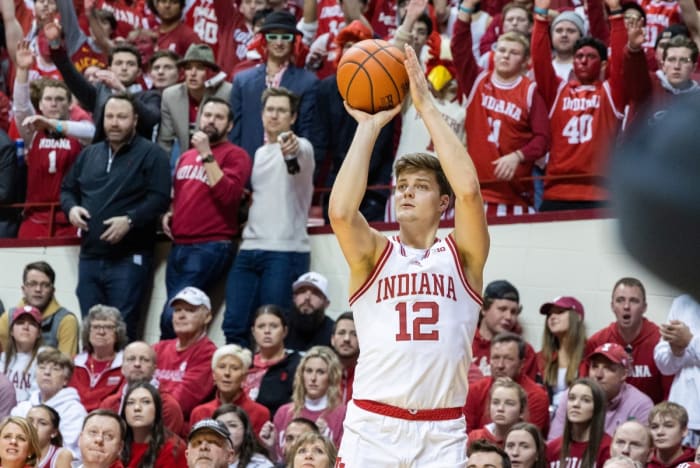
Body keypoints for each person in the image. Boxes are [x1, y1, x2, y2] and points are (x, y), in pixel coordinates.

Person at [328, 43, 489, 465]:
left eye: (419, 185)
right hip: (373, 426)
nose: (406, 192)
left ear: (442, 203)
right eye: (401, 186)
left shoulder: (463, 257)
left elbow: (470, 192)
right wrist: (368, 127)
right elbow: (341, 213)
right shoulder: (374, 255)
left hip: (441, 429)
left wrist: (426, 106)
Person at [60, 92, 171, 341]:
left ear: (135, 120)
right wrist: (71, 209)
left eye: (122, 117)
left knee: (122, 328)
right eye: (109, 116)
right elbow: (67, 189)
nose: (114, 122)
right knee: (92, 329)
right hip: (89, 255)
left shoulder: (153, 154)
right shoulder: (90, 154)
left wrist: (130, 219)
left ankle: (124, 380)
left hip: (130, 257)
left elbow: (159, 199)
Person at [222, 87, 314, 348]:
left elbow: (295, 156)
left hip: (284, 251)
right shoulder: (260, 153)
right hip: (249, 248)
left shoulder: (302, 146)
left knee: (275, 328)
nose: (274, 115)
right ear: (262, 115)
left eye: (282, 110)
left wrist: (290, 147)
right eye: (270, 110)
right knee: (234, 325)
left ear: (293, 117)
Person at [159, 96, 252, 340]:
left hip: (211, 245)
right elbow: (182, 195)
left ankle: (167, 371)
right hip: (179, 245)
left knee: (173, 316)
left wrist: (207, 154)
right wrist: (171, 213)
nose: (211, 121)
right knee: (181, 319)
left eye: (219, 117)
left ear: (230, 125)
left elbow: (229, 196)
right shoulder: (186, 156)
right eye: (207, 115)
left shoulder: (236, 155)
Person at [452, 0, 550, 216]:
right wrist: (466, 9)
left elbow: (542, 140)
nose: (505, 55)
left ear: (525, 62)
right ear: (493, 55)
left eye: (513, 52)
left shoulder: (530, 91)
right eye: (502, 50)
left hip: (514, 199)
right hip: (472, 193)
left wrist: (518, 155)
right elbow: (459, 48)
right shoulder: (477, 81)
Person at [531, 0, 630, 210]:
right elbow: (539, 60)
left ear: (603, 64)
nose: (583, 61)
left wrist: (616, 13)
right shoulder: (557, 91)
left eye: (591, 57)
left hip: (600, 192)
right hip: (556, 192)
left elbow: (621, 58)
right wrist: (539, 18)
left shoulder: (611, 92)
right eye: (579, 57)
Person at [312, 20, 394, 223]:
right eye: (347, 45)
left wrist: (356, 176)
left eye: (358, 45)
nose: (351, 50)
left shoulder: (384, 88)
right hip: (337, 179)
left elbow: (381, 144)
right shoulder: (326, 89)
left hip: (375, 185)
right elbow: (319, 143)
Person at [12, 40, 92, 239]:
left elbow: (90, 132)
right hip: (35, 217)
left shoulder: (78, 131)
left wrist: (51, 124)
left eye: (60, 99)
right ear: (40, 104)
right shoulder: (33, 131)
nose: (54, 104)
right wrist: (22, 71)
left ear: (69, 104)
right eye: (49, 99)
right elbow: (21, 107)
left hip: (70, 217)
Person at [46, 22, 161, 143]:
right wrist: (55, 45)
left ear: (138, 72)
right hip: (102, 155)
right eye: (119, 63)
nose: (124, 68)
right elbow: (73, 79)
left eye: (130, 64)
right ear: (110, 69)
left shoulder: (150, 96)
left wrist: (121, 88)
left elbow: (150, 120)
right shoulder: (100, 92)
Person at [230, 10, 319, 162]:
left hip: (289, 170)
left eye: (286, 37)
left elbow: (308, 134)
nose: (279, 42)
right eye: (273, 36)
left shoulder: (308, 82)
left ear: (294, 42)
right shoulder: (242, 81)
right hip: (248, 169)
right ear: (264, 41)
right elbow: (234, 133)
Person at [585, 278, 672, 404]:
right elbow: (586, 388)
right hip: (607, 417)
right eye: (620, 300)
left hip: (649, 418)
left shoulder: (660, 343)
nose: (626, 306)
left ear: (644, 307)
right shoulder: (597, 342)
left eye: (634, 301)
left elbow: (669, 394)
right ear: (612, 306)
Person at [549, 343, 654, 440]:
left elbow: (639, 451)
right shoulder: (573, 395)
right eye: (594, 366)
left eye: (608, 368)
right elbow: (554, 442)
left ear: (624, 374)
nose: (598, 375)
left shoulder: (640, 405)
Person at [465, 333, 550, 435]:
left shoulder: (536, 396)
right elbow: (465, 436)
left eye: (508, 359)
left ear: (522, 364)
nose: (500, 365)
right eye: (496, 358)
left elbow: (526, 440)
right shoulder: (474, 391)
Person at [157, 45, 233, 158]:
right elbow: (165, 141)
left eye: (200, 68)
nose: (192, 73)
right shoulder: (171, 95)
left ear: (211, 72)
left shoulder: (227, 92)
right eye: (188, 68)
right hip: (185, 160)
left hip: (219, 158)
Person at [153, 287, 217, 420]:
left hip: (176, 427)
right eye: (177, 310)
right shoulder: (158, 348)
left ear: (207, 317)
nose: (181, 315)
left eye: (190, 310)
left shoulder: (208, 353)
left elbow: (181, 402)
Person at [12, 348, 87, 459]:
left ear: (66, 379)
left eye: (55, 369)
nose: (46, 372)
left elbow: (70, 453)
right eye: (42, 367)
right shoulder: (23, 407)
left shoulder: (74, 411)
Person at [99, 341, 184, 437]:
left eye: (144, 360)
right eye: (131, 359)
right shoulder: (109, 404)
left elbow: (168, 447)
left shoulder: (168, 406)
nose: (137, 364)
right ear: (122, 368)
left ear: (154, 368)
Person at [272, 346, 346, 454]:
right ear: (301, 375)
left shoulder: (342, 414)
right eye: (309, 371)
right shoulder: (283, 413)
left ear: (331, 376)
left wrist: (324, 442)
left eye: (320, 372)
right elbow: (277, 459)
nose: (313, 378)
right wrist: (269, 448)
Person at [0, 261, 79, 356]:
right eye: (32, 284)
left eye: (45, 285)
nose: (38, 289)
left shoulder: (66, 321)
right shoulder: (7, 318)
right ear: (23, 289)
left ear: (53, 291)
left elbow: (67, 365)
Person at [190, 345, 271, 436]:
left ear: (244, 377)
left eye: (234, 368)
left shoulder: (260, 413)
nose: (227, 373)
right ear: (214, 374)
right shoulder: (200, 413)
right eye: (222, 367)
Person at [654, 294, 700, 447]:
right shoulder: (683, 303)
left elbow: (689, 341)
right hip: (683, 418)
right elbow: (664, 366)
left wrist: (689, 341)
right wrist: (676, 351)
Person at [472, 281, 538, 380]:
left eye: (514, 312)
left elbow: (526, 390)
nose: (508, 317)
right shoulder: (465, 341)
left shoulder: (524, 351)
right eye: (502, 309)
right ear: (484, 309)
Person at [243, 305, 301, 416]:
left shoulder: (296, 365)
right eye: (261, 326)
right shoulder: (244, 362)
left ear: (285, 331)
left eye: (274, 326)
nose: (267, 331)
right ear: (253, 332)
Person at [69, 305, 126, 411]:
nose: (101, 332)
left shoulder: (125, 365)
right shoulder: (73, 363)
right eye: (95, 327)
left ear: (117, 333)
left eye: (108, 327)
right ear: (88, 332)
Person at [545, 377, 611, 468]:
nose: (575, 404)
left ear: (597, 407)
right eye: (571, 398)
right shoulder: (552, 449)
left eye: (586, 400)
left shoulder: (607, 449)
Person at [538, 296, 587, 415]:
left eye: (560, 312)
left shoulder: (589, 355)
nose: (552, 317)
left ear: (577, 317)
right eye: (549, 314)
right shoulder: (541, 358)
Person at [120, 382, 187, 467]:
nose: (137, 408)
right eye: (130, 402)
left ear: (157, 409)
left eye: (145, 402)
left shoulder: (173, 448)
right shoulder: (118, 445)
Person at [468, 378, 528, 448]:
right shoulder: (476, 437)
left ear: (521, 410)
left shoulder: (529, 440)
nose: (500, 409)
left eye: (509, 403)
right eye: (495, 402)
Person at [1, 305, 43, 402]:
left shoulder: (43, 359)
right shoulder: (3, 358)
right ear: (11, 331)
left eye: (32, 324)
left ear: (39, 333)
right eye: (20, 323)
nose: (25, 327)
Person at [283, 273, 335, 352]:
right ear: (294, 298)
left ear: (326, 303)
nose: (307, 297)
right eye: (302, 291)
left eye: (316, 293)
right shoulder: (280, 324)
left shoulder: (333, 331)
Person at [647, 401, 696, 467]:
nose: (659, 432)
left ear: (684, 430)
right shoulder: (643, 460)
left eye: (668, 426)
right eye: (654, 427)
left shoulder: (696, 460)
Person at [330, 312, 358, 403]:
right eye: (341, 333)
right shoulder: (321, 373)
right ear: (332, 339)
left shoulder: (369, 375)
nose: (347, 339)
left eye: (354, 334)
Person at [549, 11, 586, 80]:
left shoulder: (587, 68)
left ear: (581, 37)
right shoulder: (542, 67)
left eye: (571, 31)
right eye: (559, 31)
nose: (564, 35)